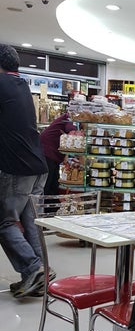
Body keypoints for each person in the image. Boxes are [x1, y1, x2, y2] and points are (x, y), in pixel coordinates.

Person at [0, 44, 51, 298]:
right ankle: (41, 273)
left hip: (17, 166)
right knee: (30, 220)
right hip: (39, 166)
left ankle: (33, 269)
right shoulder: (22, 85)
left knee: (4, 221)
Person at [40, 112, 77, 196]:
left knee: (53, 182)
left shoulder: (71, 118)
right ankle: (45, 202)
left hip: (51, 152)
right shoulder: (71, 116)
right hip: (48, 151)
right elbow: (70, 129)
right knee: (48, 182)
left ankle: (51, 202)